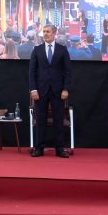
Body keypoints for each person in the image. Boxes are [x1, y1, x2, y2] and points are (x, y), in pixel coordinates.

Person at [28, 24, 72, 158]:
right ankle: (39, 148)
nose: (45, 34)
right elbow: (32, 71)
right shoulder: (37, 50)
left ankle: (59, 148)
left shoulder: (62, 50)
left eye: (48, 32)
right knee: (40, 120)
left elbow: (68, 71)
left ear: (54, 33)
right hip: (40, 91)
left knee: (58, 120)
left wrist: (66, 89)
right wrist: (33, 89)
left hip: (58, 91)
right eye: (44, 32)